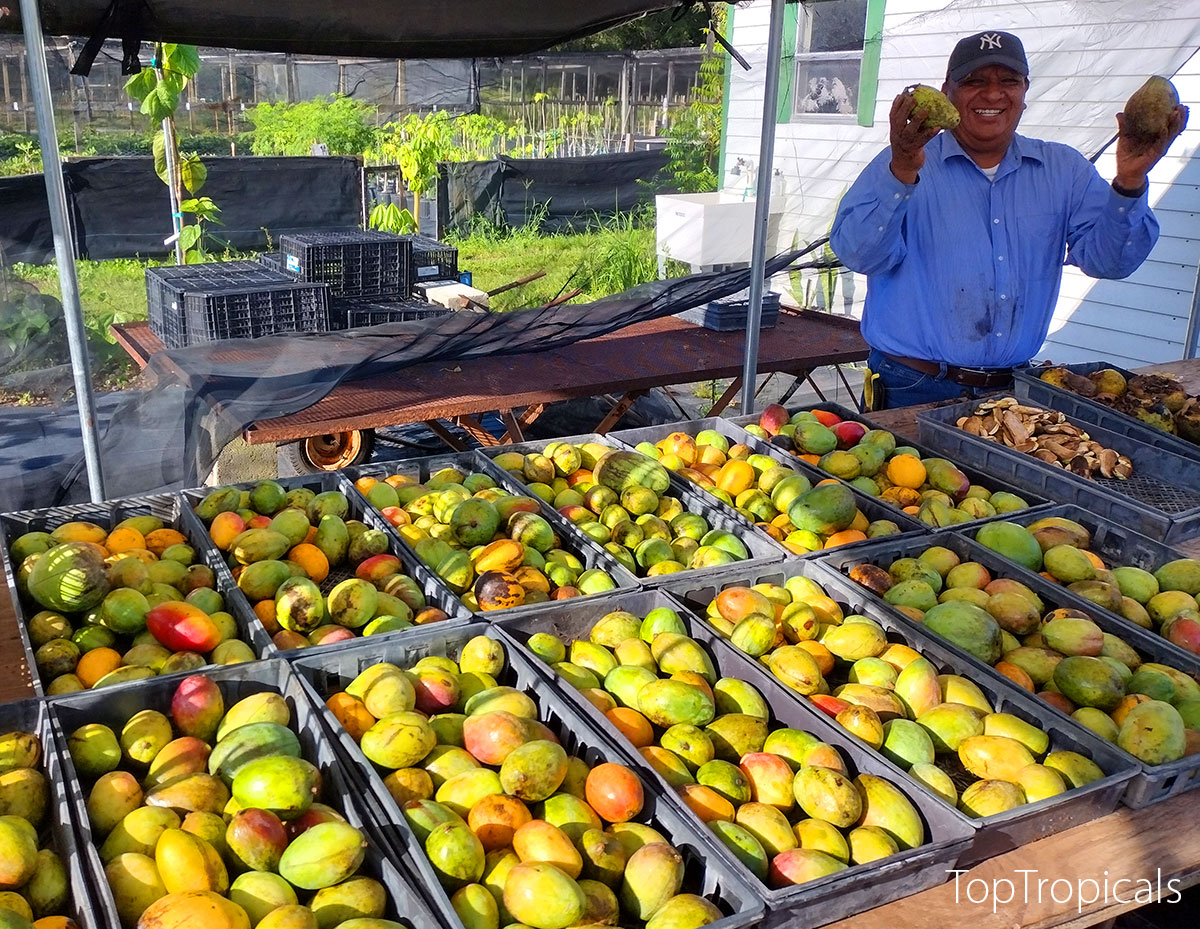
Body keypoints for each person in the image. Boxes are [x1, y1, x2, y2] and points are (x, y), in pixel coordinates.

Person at [830, 31, 1188, 409]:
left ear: (1024, 92)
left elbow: (1110, 262)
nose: (993, 94)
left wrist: (1129, 181)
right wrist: (901, 169)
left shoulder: (1063, 169)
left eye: (1008, 81)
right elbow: (858, 254)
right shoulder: (906, 160)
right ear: (947, 90)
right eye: (975, 81)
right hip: (912, 386)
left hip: (1014, 391)